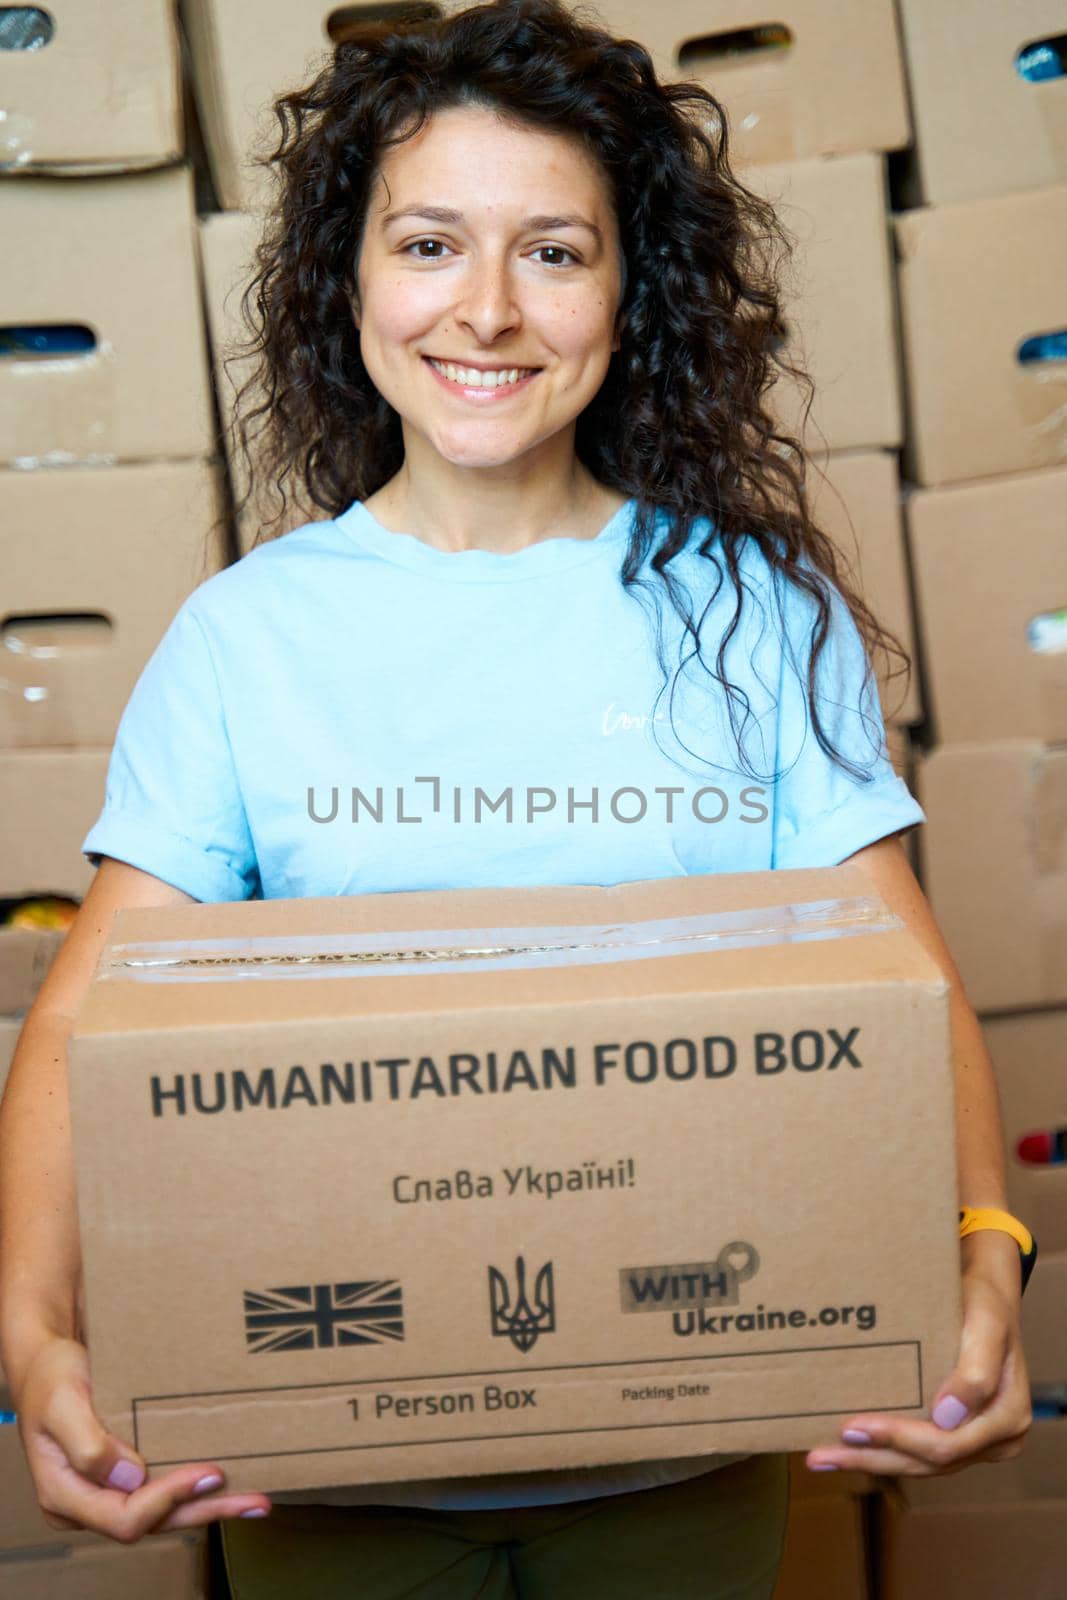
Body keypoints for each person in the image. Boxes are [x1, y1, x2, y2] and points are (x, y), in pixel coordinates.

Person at [0, 1, 1033, 1595]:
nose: (485, 311)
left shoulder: (747, 609)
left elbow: (903, 975)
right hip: (330, 1471)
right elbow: (84, 1020)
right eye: (429, 244)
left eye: (554, 252)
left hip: (685, 1447)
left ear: (634, 291)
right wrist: (33, 1336)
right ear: (349, 276)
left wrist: (988, 1257)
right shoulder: (251, 637)